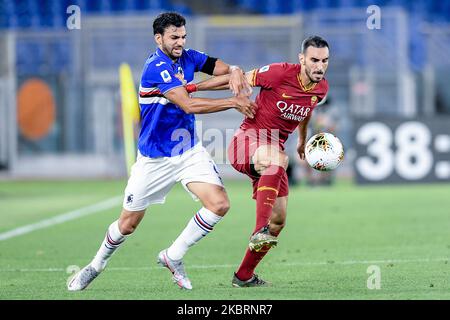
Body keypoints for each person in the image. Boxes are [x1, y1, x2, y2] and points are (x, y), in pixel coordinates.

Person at [67, 12, 255, 291]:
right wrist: (233, 101)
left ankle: (173, 255)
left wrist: (236, 69)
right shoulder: (156, 66)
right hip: (154, 158)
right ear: (159, 38)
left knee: (219, 204)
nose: (180, 42)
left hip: (187, 150)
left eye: (183, 36)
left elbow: (221, 68)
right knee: (127, 224)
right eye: (174, 37)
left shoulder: (188, 56)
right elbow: (188, 105)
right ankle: (96, 265)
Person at [187, 35, 330, 287]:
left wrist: (302, 139)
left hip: (271, 158)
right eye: (315, 60)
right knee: (278, 160)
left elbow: (307, 110)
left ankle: (244, 276)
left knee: (279, 221)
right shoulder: (278, 73)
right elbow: (236, 79)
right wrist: (192, 88)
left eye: (325, 61)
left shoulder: (321, 88)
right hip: (247, 142)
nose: (320, 66)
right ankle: (258, 230)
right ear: (302, 59)